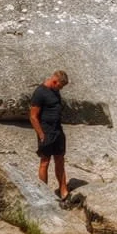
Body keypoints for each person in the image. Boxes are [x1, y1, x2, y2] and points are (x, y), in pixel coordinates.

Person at [28, 70, 71, 202]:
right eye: (60, 86)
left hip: (58, 130)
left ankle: (64, 191)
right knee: (45, 162)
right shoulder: (40, 92)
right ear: (54, 81)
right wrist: (41, 134)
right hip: (46, 131)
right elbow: (33, 116)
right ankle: (44, 193)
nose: (61, 89)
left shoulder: (55, 91)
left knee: (60, 160)